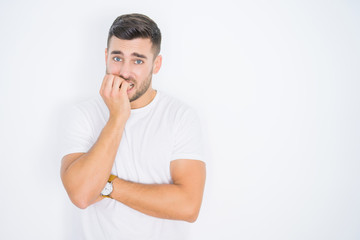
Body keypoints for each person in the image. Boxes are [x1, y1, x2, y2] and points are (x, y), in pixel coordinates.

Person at [60, 13, 206, 239]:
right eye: (117, 58)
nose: (125, 71)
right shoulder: (83, 115)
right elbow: (81, 195)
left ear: (156, 64)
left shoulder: (180, 116)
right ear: (106, 57)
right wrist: (118, 117)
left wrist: (106, 186)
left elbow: (188, 206)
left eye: (138, 60)